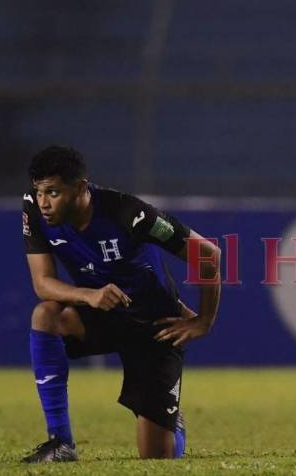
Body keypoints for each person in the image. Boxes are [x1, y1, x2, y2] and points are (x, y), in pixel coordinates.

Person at [20, 145, 221, 462]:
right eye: (39, 191)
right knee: (45, 315)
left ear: (81, 188)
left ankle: (170, 422)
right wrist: (90, 295)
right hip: (102, 314)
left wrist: (204, 320)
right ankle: (60, 441)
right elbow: (42, 283)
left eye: (53, 192)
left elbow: (208, 254)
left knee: (157, 457)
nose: (44, 202)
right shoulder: (33, 208)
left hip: (154, 326)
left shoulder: (130, 214)